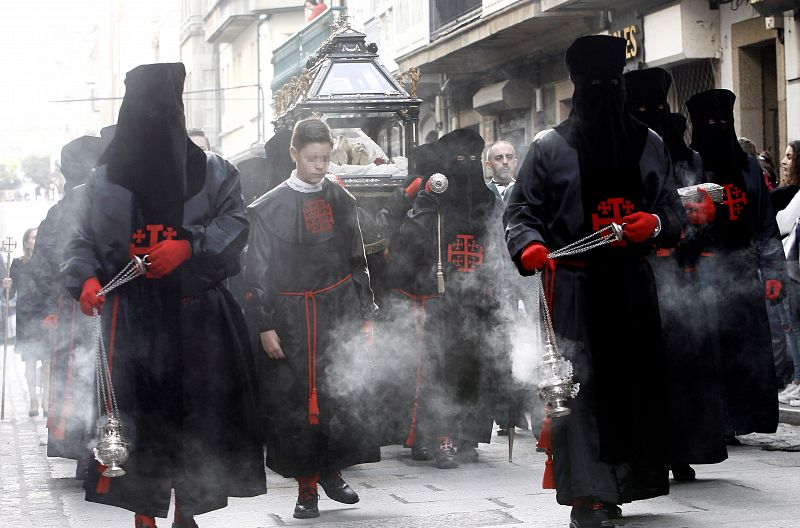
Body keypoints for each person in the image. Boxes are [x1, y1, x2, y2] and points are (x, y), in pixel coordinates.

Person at [63, 63, 266, 528]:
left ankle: (187, 511)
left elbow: (236, 224)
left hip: (199, 321)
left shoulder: (215, 172)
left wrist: (190, 244)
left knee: (199, 420)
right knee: (139, 423)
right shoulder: (102, 181)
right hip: (131, 323)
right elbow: (79, 240)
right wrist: (87, 280)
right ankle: (143, 513)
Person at [505, 36, 684, 528]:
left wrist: (659, 223)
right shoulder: (549, 146)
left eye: (612, 84)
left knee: (634, 385)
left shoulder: (651, 143)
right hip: (577, 291)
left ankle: (626, 482)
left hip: (631, 286)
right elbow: (521, 211)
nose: (605, 93)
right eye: (596, 85)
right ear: (578, 88)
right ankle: (590, 496)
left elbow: (671, 206)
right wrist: (531, 247)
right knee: (582, 393)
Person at [243, 118, 380, 520]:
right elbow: (256, 273)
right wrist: (265, 324)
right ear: (294, 154)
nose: (320, 166)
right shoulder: (268, 209)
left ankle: (333, 472)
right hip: (290, 318)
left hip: (337, 312)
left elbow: (359, 262)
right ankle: (306, 488)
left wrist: (366, 313)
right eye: (312, 158)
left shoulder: (342, 200)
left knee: (339, 394)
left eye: (325, 158)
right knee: (297, 404)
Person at [624, 67, 728, 482]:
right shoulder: (625, 149)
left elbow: (699, 214)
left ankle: (683, 448)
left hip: (680, 272)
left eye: (659, 107)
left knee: (685, 366)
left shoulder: (689, 156)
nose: (654, 115)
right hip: (641, 270)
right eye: (644, 108)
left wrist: (699, 216)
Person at [388, 128, 508, 470]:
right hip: (436, 294)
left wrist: (496, 284)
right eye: (459, 160)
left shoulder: (488, 199)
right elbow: (408, 241)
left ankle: (468, 434)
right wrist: (423, 202)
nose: (466, 166)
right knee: (438, 368)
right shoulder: (433, 193)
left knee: (473, 367)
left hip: (477, 295)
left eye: (473, 160)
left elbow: (498, 246)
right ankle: (437, 435)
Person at [685, 89, 784, 440]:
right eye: (710, 123)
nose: (717, 128)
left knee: (745, 352)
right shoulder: (689, 165)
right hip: (703, 275)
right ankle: (715, 421)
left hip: (743, 272)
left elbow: (765, 222)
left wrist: (774, 273)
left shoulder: (747, 168)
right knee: (709, 352)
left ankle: (743, 419)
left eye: (722, 122)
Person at [32, 135, 102, 475]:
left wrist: (49, 304)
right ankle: (88, 449)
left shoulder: (61, 210)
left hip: (74, 306)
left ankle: (88, 449)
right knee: (82, 377)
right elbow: (44, 264)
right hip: (81, 307)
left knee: (85, 376)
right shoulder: (89, 202)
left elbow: (41, 265)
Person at [9, 227, 49, 417]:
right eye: (33, 237)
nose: (36, 240)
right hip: (26, 316)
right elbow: (9, 294)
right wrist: (6, 285)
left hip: (44, 316)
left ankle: (46, 399)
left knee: (47, 361)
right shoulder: (17, 263)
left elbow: (52, 289)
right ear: (26, 242)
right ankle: (33, 399)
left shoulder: (48, 262)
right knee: (31, 360)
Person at [775, 140, 800, 405]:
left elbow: (782, 222)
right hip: (792, 264)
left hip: (794, 266)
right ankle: (797, 381)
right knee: (791, 326)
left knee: (793, 326)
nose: (784, 162)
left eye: (789, 157)